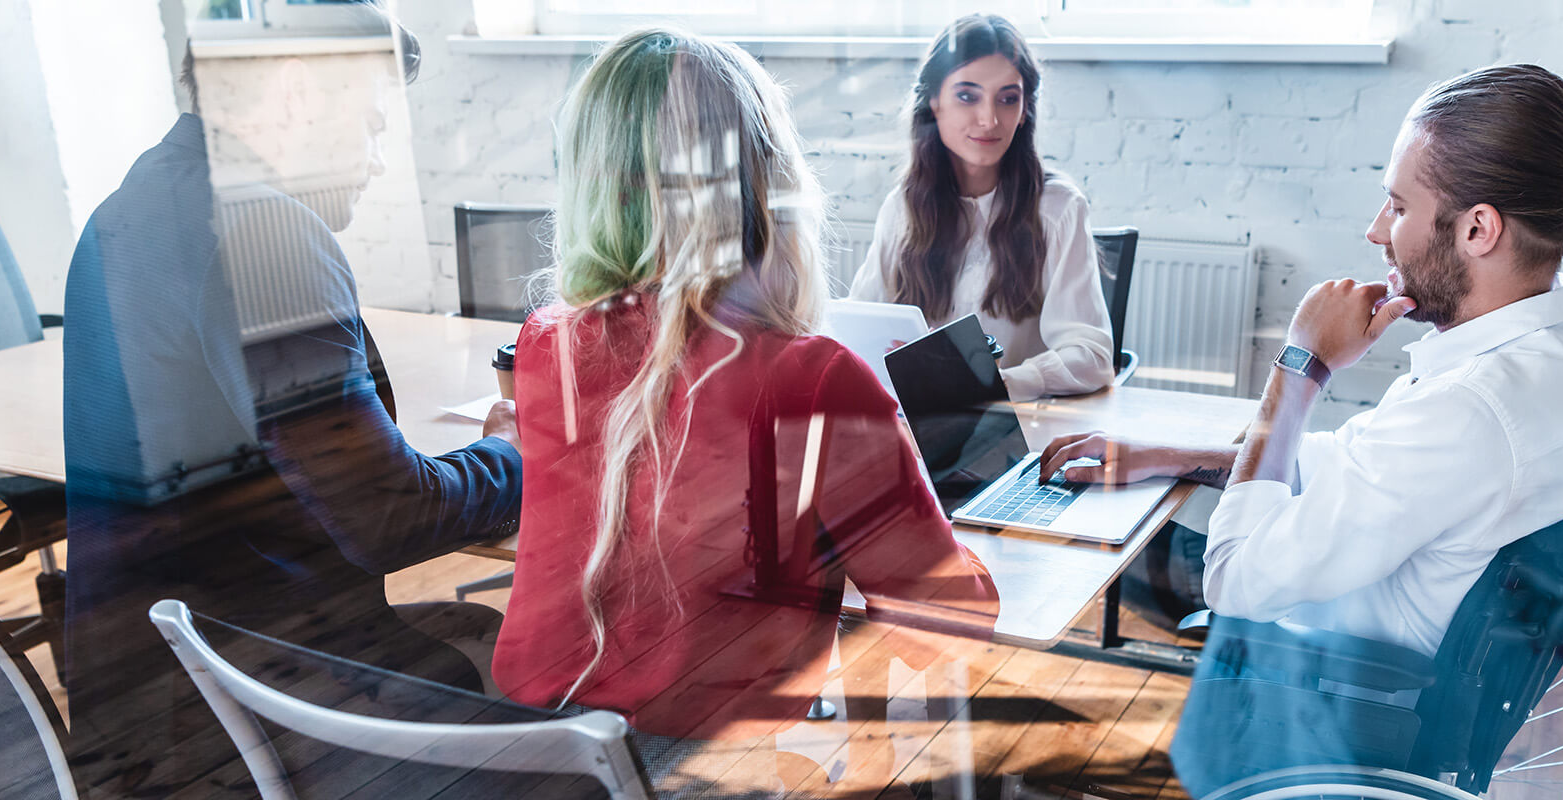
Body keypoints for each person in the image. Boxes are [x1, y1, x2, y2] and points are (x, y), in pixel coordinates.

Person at [1041, 64, 1563, 657]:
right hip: (1361, 605)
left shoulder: (1470, 405)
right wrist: (1182, 455)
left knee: (1072, 550)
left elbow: (1235, 580)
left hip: (1323, 669)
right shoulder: (1556, 343)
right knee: (1115, 515)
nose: (1377, 230)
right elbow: (1364, 468)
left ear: (1478, 230)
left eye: (1401, 205)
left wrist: (1301, 365)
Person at [490, 28, 999, 742]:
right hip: (698, 764)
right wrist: (928, 508)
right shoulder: (813, 379)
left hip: (533, 750)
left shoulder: (546, 339)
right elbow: (950, 624)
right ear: (766, 183)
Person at [62, 14, 522, 798]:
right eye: (374, 124)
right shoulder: (263, 232)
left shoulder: (128, 203)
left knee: (485, 645)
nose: (379, 159)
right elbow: (388, 521)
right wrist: (516, 453)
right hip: (260, 719)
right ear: (301, 91)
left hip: (143, 702)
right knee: (580, 702)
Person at [846, 13, 1114, 402]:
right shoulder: (903, 208)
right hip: (916, 426)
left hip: (1012, 430)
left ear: (1024, 112)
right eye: (967, 96)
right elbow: (858, 331)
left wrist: (1002, 384)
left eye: (1008, 99)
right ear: (934, 101)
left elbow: (1092, 357)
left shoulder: (1057, 209)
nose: (989, 119)